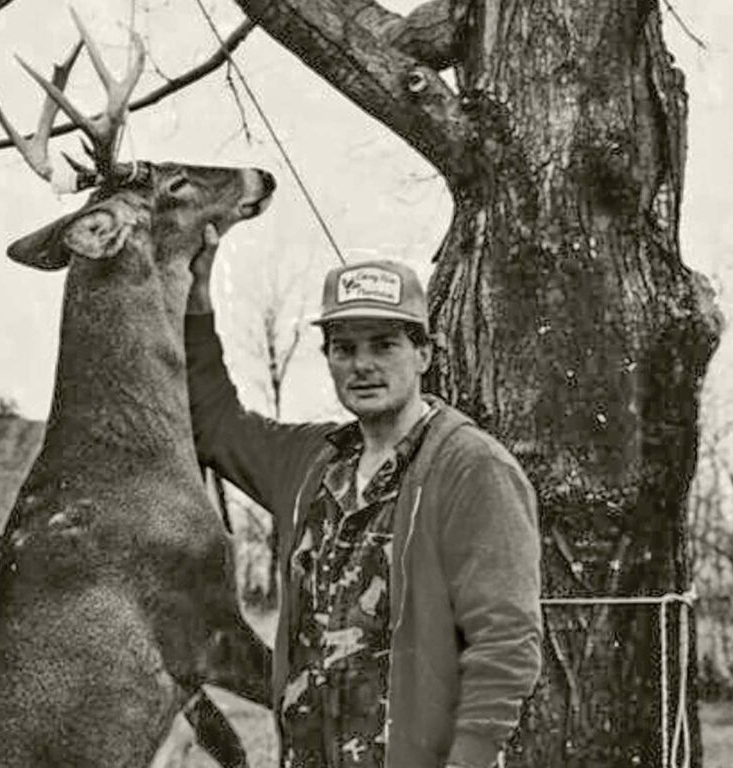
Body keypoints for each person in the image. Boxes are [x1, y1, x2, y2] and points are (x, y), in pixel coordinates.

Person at [185, 225, 542, 768]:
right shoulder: (309, 461)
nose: (363, 365)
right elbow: (213, 423)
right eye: (344, 348)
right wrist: (197, 294)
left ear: (424, 353)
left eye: (384, 344)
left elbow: (506, 647)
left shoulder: (473, 469)